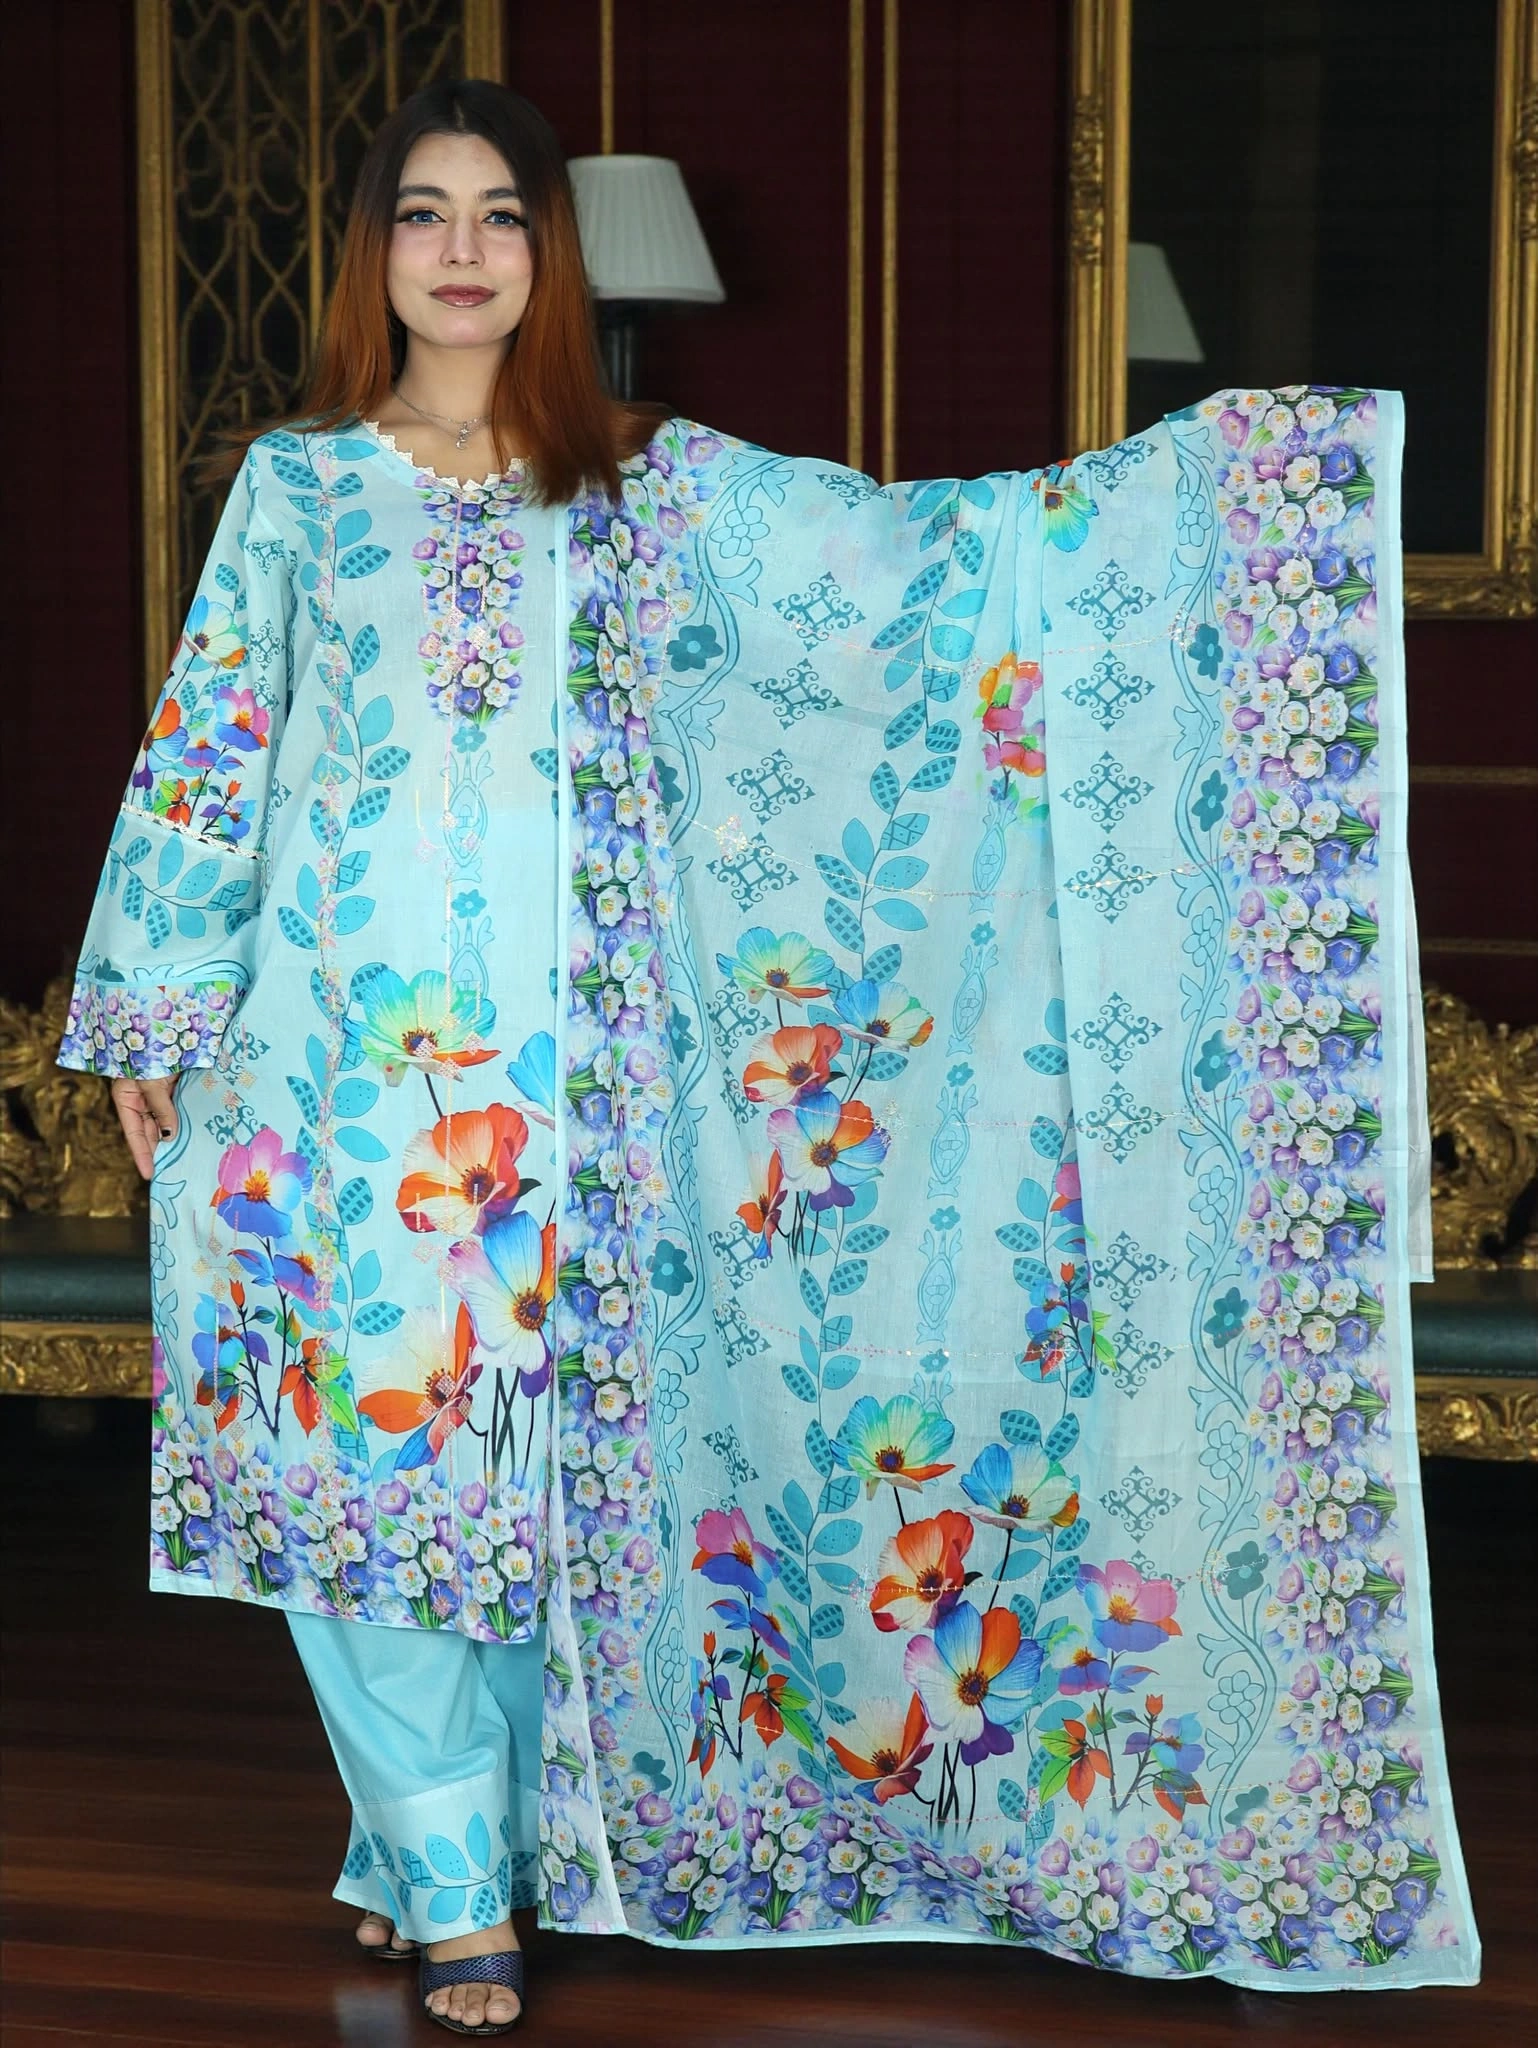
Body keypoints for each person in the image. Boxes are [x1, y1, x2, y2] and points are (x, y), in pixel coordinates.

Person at [60, 76, 1478, 2040]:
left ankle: (440, 1848)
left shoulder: (642, 486)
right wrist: (156, 1002)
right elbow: (216, 740)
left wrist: (1203, 491)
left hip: (582, 1083)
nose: (463, 250)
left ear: (550, 256)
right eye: (425, 213)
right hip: (322, 1067)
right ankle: (449, 1878)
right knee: (360, 1466)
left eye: (502, 215)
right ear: (374, 253)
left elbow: (911, 569)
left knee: (537, 1483)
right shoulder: (296, 489)